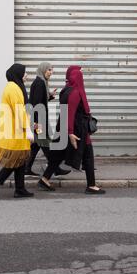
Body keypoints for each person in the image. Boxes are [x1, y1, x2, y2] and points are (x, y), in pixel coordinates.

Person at [38, 66, 106, 195]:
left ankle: (44, 179)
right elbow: (69, 113)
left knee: (58, 155)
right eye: (80, 75)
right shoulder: (75, 92)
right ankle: (91, 185)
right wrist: (70, 133)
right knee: (88, 156)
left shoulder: (66, 89)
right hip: (76, 130)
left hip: (66, 128)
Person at [0, 64, 35, 199]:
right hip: (15, 131)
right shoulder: (14, 88)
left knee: (20, 160)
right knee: (16, 159)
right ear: (18, 73)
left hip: (15, 129)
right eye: (25, 73)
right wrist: (28, 131)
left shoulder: (14, 86)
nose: (27, 76)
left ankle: (20, 189)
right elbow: (19, 110)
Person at [25, 62, 71, 179]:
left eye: (52, 70)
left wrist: (49, 96)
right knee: (46, 145)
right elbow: (36, 104)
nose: (51, 72)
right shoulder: (40, 83)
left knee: (36, 146)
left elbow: (39, 100)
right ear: (43, 70)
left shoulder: (40, 82)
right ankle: (55, 168)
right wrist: (36, 123)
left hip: (38, 120)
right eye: (49, 70)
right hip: (38, 122)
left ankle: (26, 168)